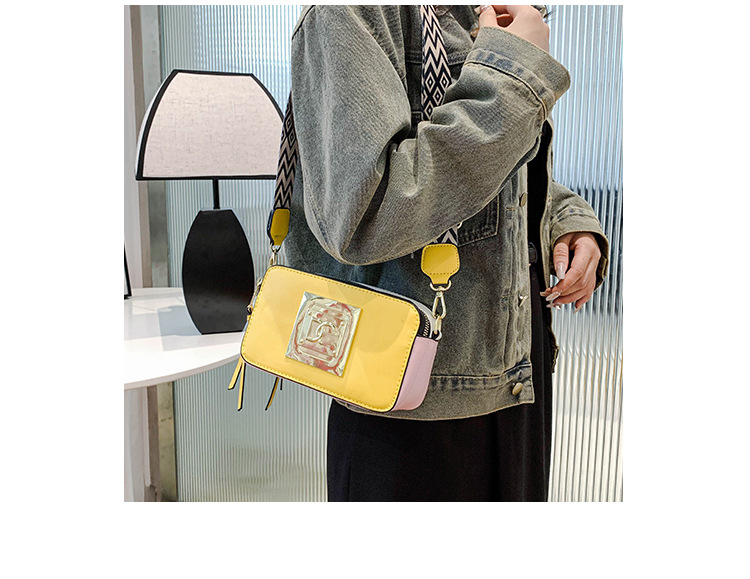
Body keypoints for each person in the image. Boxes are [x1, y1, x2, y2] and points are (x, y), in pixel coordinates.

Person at [285, 4, 609, 501]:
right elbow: (364, 216)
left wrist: (568, 221)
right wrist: (512, 75)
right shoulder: (350, 13)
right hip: (413, 399)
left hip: (515, 370)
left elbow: (497, 178)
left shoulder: (474, 11)